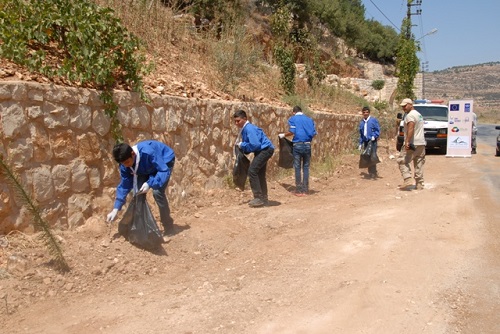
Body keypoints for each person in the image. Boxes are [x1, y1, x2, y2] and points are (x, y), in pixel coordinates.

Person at [106, 140, 176, 237]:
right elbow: (124, 185)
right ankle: (141, 227)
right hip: (145, 167)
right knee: (138, 193)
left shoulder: (148, 153)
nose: (126, 165)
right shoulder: (125, 165)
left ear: (133, 154)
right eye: (123, 164)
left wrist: (150, 183)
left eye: (127, 162)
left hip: (164, 161)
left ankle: (168, 226)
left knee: (157, 192)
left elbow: (163, 170)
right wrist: (116, 208)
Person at [233, 109, 275, 207]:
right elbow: (252, 145)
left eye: (238, 121)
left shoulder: (249, 128)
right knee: (260, 174)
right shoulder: (246, 129)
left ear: (245, 119)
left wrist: (242, 145)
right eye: (235, 121)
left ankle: (258, 197)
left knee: (252, 171)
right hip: (264, 150)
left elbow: (255, 144)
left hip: (264, 150)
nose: (236, 123)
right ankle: (264, 199)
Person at [279, 105, 317, 196]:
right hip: (307, 145)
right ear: (301, 111)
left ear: (294, 112)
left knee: (297, 167)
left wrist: (283, 135)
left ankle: (299, 190)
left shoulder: (293, 119)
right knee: (306, 167)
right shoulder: (309, 119)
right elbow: (314, 133)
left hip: (297, 145)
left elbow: (292, 132)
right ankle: (306, 189)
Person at [397, 98, 426, 190]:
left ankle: (407, 179)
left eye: (405, 106)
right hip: (421, 143)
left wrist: (407, 141)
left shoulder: (410, 116)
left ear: (410, 104)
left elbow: (411, 128)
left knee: (402, 161)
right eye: (402, 106)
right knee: (419, 163)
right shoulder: (419, 114)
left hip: (413, 143)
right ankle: (419, 183)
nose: (403, 108)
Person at [357, 106, 380, 179]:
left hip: (372, 141)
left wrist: (374, 136)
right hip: (366, 142)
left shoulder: (373, 120)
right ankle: (370, 172)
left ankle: (373, 172)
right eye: (364, 112)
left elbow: (377, 130)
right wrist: (360, 143)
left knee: (372, 156)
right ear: (362, 113)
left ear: (369, 113)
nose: (365, 114)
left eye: (367, 112)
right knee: (367, 156)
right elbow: (361, 134)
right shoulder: (362, 123)